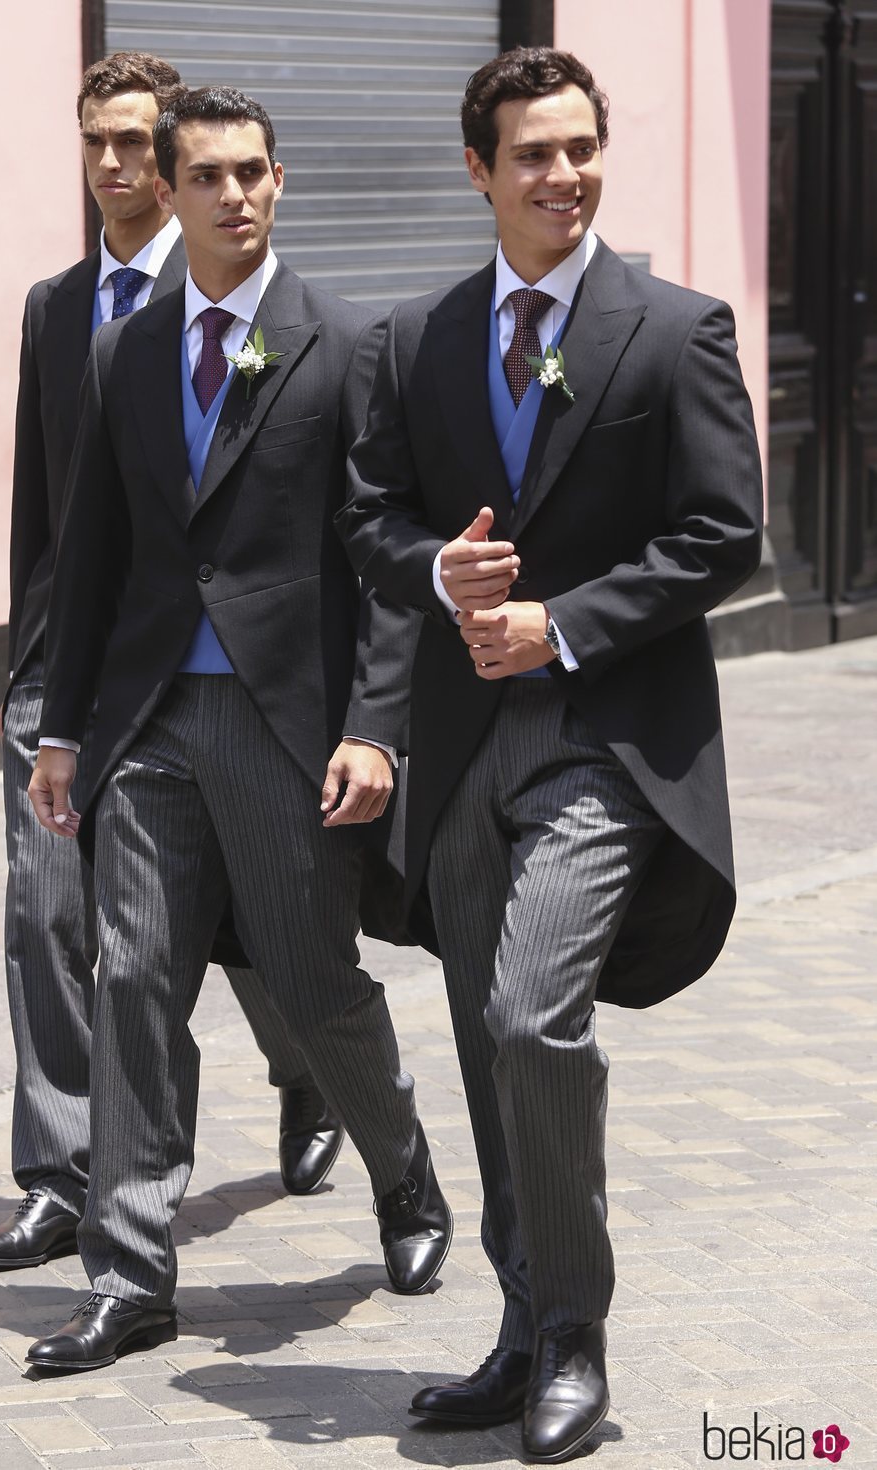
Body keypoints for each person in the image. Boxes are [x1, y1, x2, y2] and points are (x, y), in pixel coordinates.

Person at [339, 47, 764, 1464]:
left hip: (607, 745)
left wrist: (562, 624)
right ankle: (521, 1325)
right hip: (461, 749)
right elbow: (373, 518)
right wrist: (441, 571)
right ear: (480, 170)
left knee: (530, 1015)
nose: (564, 175)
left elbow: (723, 533)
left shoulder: (676, 329)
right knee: (478, 1042)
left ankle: (575, 1328)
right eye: (533, 153)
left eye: (581, 147)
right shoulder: (418, 338)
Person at [23, 85, 452, 1373]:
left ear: (280, 180)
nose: (235, 197)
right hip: (147, 720)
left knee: (312, 986)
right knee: (135, 978)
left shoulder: (347, 343)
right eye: (208, 176)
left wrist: (375, 726)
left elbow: (382, 561)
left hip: (286, 724)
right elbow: (90, 552)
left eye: (254, 173)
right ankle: (133, 1269)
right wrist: (58, 725)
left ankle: (407, 1173)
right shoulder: (125, 352)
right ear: (169, 184)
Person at [0, 54, 341, 1280]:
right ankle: (66, 1178)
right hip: (76, 675)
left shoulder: (240, 291)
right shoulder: (55, 306)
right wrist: (32, 675)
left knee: (243, 938)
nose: (115, 167)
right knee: (51, 923)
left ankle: (313, 1076)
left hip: (217, 681)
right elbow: (49, 508)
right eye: (96, 144)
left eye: (135, 144)